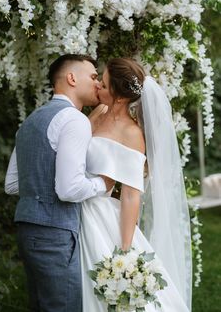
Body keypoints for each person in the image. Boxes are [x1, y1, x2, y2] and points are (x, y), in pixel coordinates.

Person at [79, 58, 192, 311]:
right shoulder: (98, 113)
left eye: (104, 85)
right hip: (75, 201)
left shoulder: (132, 134)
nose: (97, 86)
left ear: (119, 97)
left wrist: (125, 249)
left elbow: (130, 195)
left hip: (101, 214)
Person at [4, 54, 113, 312]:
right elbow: (69, 189)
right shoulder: (74, 120)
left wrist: (43, 185)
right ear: (72, 78)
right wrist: (102, 183)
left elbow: (12, 184)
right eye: (94, 76)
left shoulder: (30, 121)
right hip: (54, 234)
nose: (98, 83)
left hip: (27, 231)